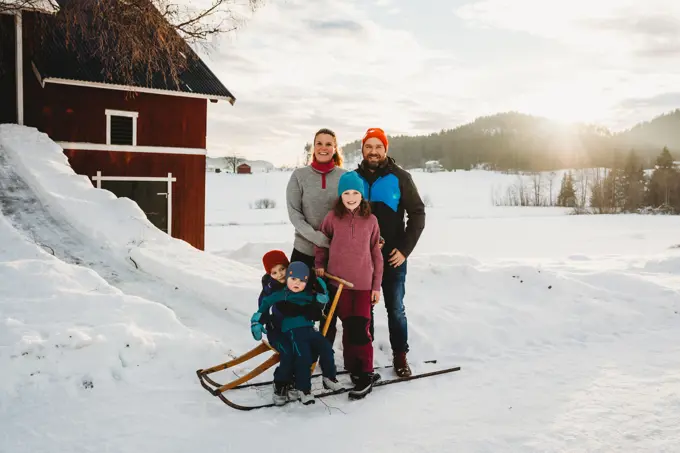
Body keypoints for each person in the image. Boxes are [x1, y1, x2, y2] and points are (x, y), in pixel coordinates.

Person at [354, 127, 426, 378]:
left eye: (378, 146)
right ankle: (366, 357)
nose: (373, 151)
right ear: (362, 149)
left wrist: (405, 249)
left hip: (393, 258)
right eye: (369, 146)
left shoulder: (401, 177)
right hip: (362, 259)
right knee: (365, 310)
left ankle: (400, 356)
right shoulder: (353, 178)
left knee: (395, 308)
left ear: (386, 149)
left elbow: (417, 214)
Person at [315, 172, 384, 399]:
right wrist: (319, 265)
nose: (351, 197)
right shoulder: (333, 218)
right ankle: (353, 368)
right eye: (347, 193)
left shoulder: (371, 221)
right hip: (338, 284)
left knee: (360, 329)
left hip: (363, 285)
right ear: (340, 195)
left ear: (362, 195)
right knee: (347, 327)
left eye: (355, 193)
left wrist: (376, 286)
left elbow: (376, 254)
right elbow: (322, 243)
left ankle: (365, 372)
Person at [250, 261, 344, 406]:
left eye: (301, 280)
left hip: (309, 329)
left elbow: (320, 301)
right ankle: (302, 389)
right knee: (302, 356)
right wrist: (256, 322)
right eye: (293, 279)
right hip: (290, 332)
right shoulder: (279, 294)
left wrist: (322, 294)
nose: (297, 283)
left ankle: (329, 378)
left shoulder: (307, 293)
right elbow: (264, 304)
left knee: (326, 348)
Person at [286, 128, 347, 270]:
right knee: (299, 293)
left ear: (335, 148)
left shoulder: (345, 176)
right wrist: (318, 238)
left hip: (335, 252)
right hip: (304, 251)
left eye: (328, 144)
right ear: (314, 147)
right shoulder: (299, 176)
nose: (323, 148)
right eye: (319, 143)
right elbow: (295, 214)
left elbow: (353, 211)